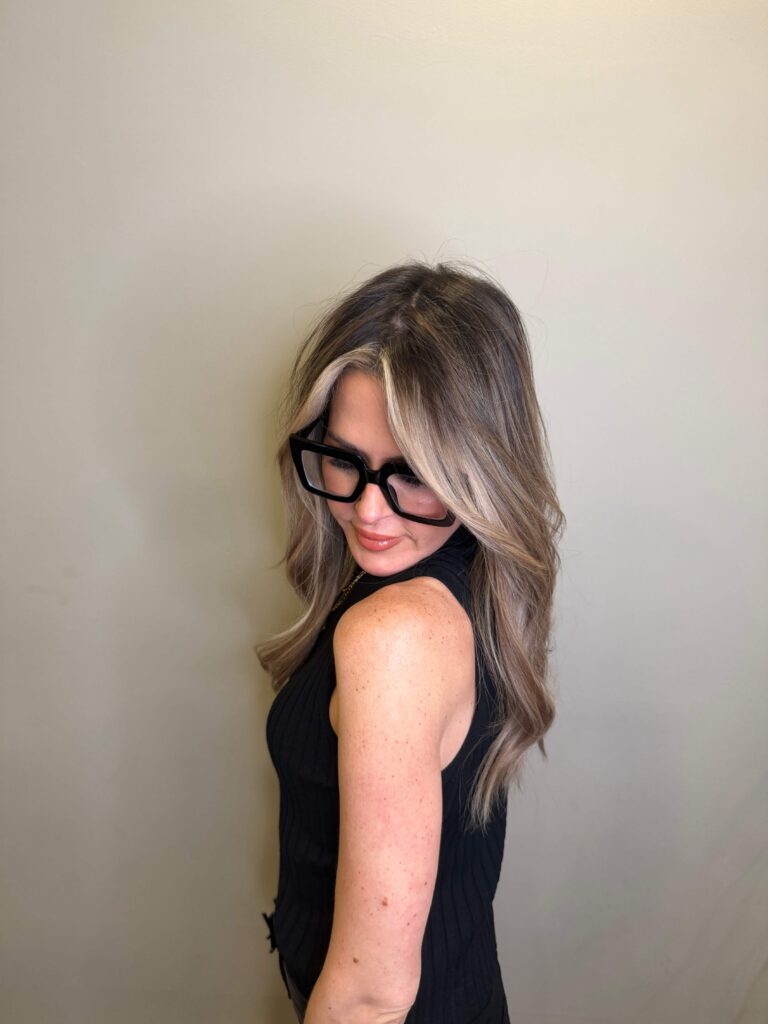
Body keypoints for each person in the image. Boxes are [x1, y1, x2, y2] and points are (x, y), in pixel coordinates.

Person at [257, 259, 565, 1024]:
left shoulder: (394, 635)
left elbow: (370, 996)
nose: (369, 513)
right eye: (343, 459)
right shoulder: (472, 573)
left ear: (481, 473)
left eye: (414, 474)